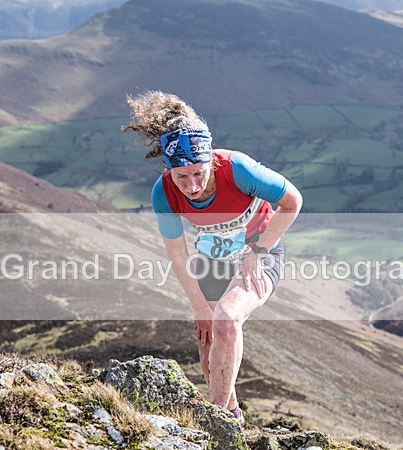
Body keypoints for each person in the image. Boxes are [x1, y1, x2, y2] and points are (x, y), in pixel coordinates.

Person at [123, 91, 303, 425]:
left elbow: (292, 202)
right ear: (168, 169)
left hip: (260, 251)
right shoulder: (164, 192)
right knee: (209, 348)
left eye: (199, 173)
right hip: (212, 259)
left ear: (211, 162)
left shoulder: (238, 170)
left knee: (227, 317)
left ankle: (217, 424)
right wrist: (198, 307)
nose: (191, 185)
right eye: (182, 177)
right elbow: (177, 252)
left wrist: (258, 252)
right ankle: (232, 416)